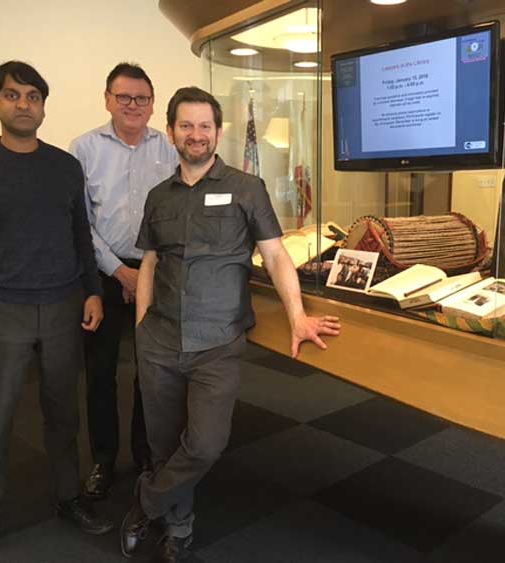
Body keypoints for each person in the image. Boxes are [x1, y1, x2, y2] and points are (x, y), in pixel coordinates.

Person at [120, 86, 341, 562]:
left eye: (204, 126)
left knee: (203, 445)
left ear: (218, 132)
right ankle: (178, 527)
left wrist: (297, 316)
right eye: (186, 125)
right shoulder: (159, 197)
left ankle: (145, 500)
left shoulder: (247, 188)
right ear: (172, 130)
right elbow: (151, 263)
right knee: (162, 444)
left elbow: (276, 255)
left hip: (217, 343)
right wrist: (140, 326)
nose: (195, 135)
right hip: (158, 340)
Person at [0, 61, 113, 563]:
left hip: (63, 306)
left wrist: (93, 291)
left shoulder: (64, 166)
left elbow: (81, 236)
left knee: (63, 413)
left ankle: (67, 497)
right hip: (1, 309)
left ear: (42, 106)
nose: (23, 104)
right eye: (12, 95)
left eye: (33, 96)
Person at [70, 62, 179, 499]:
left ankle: (146, 453)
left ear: (152, 104)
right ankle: (102, 458)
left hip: (157, 271)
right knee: (100, 372)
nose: (132, 105)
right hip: (102, 275)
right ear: (108, 100)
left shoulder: (169, 149)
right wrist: (118, 270)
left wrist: (145, 271)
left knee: (151, 371)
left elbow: (176, 214)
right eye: (123, 97)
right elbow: (81, 222)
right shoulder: (84, 148)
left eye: (142, 98)